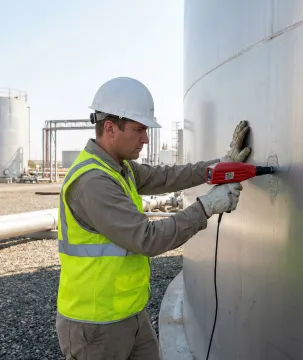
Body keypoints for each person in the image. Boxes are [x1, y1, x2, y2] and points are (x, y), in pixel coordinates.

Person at [55, 77, 251, 360]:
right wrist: (206, 207)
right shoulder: (93, 181)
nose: (146, 139)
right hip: (95, 326)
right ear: (110, 128)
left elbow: (168, 176)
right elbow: (147, 239)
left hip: (130, 313)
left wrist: (219, 166)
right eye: (139, 130)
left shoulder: (120, 168)